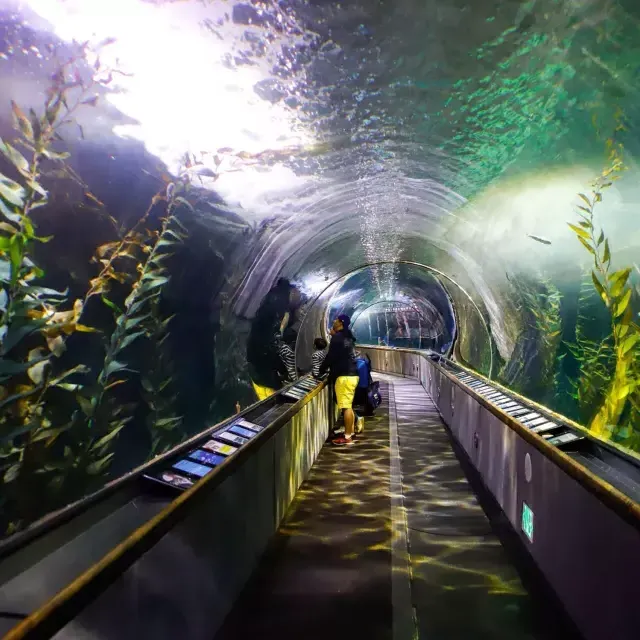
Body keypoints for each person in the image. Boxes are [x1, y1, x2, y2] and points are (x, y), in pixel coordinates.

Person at [247, 278, 297, 400]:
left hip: (256, 353)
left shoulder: (269, 297)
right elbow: (284, 319)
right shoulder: (283, 302)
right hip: (269, 352)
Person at [319, 314, 360, 446]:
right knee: (349, 406)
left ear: (340, 322)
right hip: (353, 374)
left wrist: (321, 369)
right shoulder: (348, 336)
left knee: (346, 407)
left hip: (344, 376)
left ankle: (347, 437)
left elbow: (331, 356)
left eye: (336, 320)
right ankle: (350, 431)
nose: (334, 321)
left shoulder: (337, 338)